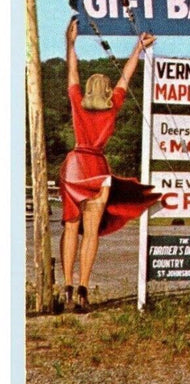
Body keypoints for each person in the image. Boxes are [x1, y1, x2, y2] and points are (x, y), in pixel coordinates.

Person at [59, 17, 161, 313]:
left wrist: (70, 42)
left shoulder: (77, 101)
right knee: (90, 233)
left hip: (75, 166)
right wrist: (136, 50)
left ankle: (66, 286)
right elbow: (125, 78)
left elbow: (72, 71)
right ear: (105, 92)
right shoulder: (112, 105)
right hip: (98, 169)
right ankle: (83, 289)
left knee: (71, 227)